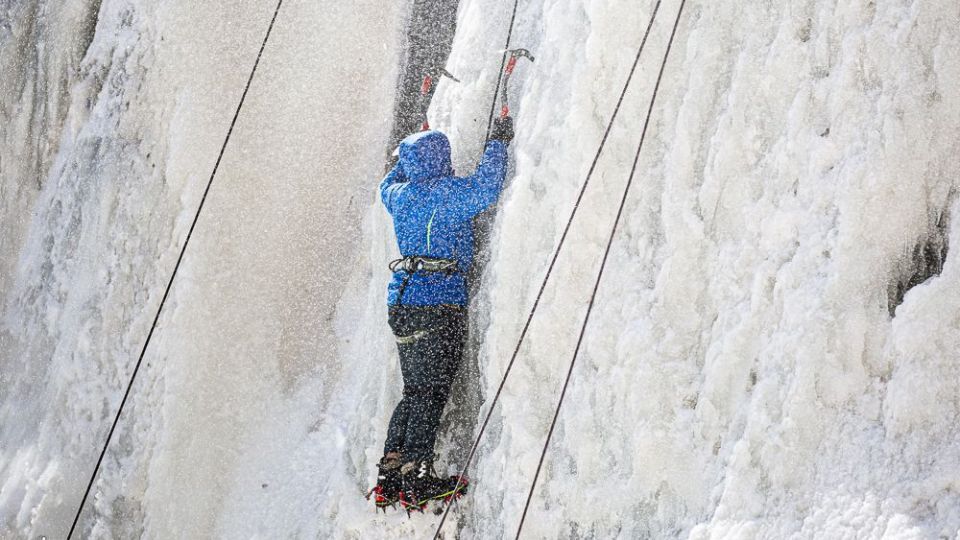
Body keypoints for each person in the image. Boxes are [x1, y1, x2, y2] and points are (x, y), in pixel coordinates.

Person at [371, 116, 514, 510]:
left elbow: (385, 185)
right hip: (438, 301)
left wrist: (407, 163)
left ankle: (390, 473)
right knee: (431, 392)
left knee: (414, 389)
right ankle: (418, 477)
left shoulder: (400, 195)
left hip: (402, 302)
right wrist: (498, 142)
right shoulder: (448, 194)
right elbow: (486, 188)